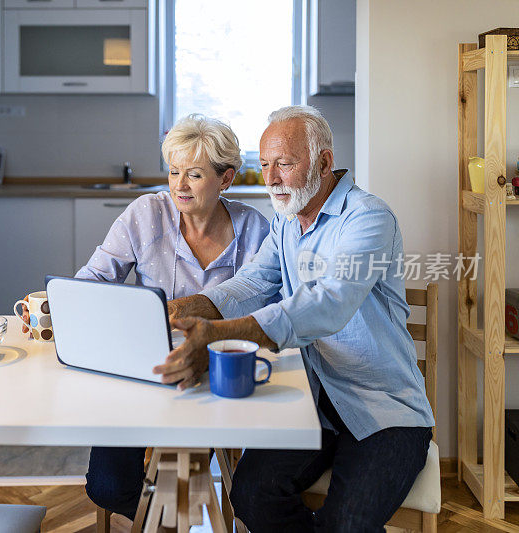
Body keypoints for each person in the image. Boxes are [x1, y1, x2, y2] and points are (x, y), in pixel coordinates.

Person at [156, 105, 434, 532]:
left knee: (349, 523)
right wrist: (180, 309)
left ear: (323, 162)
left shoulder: (369, 218)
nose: (270, 179)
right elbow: (249, 284)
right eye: (265, 165)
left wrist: (220, 331)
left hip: (384, 413)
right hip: (313, 407)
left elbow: (327, 303)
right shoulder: (286, 223)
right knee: (250, 495)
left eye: (284, 164)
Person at [22, 114, 271, 519]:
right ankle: (167, 517)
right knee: (107, 486)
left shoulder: (256, 229)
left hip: (214, 373)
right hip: (140, 366)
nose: (179, 185)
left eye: (193, 174)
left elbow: (270, 307)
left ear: (226, 179)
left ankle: (177, 513)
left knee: (183, 477)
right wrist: (58, 306)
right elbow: (94, 278)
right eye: (173, 172)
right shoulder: (145, 214)